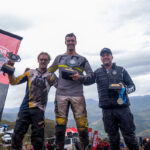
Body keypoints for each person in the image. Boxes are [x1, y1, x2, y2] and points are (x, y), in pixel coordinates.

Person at [73, 48, 139, 150]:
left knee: (129, 137)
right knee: (113, 139)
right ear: (101, 59)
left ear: (112, 57)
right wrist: (79, 77)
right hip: (107, 110)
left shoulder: (121, 70)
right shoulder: (98, 72)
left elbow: (132, 87)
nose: (105, 57)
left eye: (107, 55)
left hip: (123, 109)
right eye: (103, 55)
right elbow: (87, 80)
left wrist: (123, 89)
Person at [48, 33, 93, 150]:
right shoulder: (59, 58)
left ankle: (84, 148)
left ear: (76, 42)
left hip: (77, 95)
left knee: (82, 126)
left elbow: (92, 76)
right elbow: (49, 72)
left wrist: (80, 77)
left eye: (72, 40)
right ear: (65, 43)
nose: (70, 43)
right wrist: (57, 83)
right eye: (68, 41)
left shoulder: (82, 60)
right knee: (60, 125)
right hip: (61, 95)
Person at [7, 52, 57, 150]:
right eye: (41, 59)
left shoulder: (51, 76)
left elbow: (62, 87)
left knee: (38, 140)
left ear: (48, 61)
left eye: (45, 59)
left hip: (39, 110)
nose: (43, 61)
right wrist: (10, 70)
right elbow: (14, 81)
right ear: (38, 60)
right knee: (16, 136)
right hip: (25, 108)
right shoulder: (30, 73)